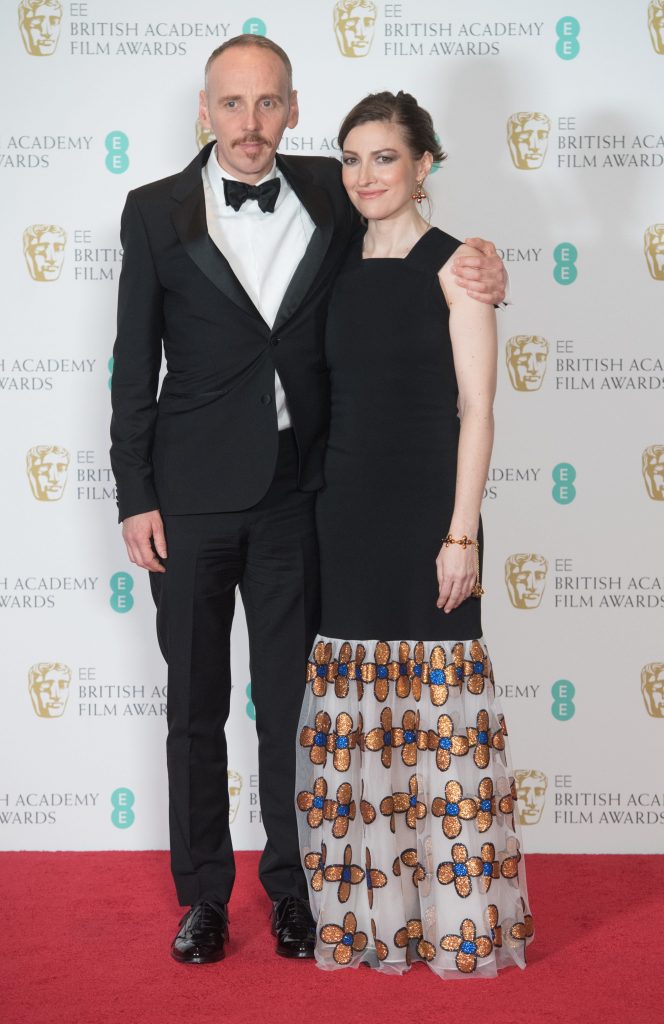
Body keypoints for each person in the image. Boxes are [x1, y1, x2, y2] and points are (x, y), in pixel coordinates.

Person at [110, 35, 507, 966]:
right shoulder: (152, 211)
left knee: (297, 709)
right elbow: (134, 363)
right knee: (195, 706)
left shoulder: (337, 187)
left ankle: (293, 893)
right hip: (191, 499)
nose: (251, 126)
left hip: (301, 496)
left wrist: (488, 267)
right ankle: (205, 897)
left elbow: (423, 252)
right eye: (232, 105)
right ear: (205, 110)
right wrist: (135, 493)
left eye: (269, 104)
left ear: (293, 108)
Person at [296, 91, 534, 977]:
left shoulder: (458, 266)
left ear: (424, 164)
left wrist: (462, 533)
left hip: (431, 516)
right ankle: (372, 921)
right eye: (351, 159)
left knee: (439, 727)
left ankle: (460, 924)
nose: (364, 176)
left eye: (384, 158)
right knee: (358, 731)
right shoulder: (328, 258)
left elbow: (478, 409)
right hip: (342, 514)